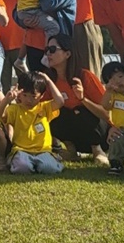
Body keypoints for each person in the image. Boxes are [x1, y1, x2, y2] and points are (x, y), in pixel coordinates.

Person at [43, 35, 109, 165]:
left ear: (67, 54)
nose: (48, 54)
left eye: (52, 49)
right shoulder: (49, 79)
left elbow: (106, 113)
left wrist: (82, 99)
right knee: (52, 111)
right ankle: (71, 150)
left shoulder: (84, 76)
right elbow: (41, 108)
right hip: (75, 135)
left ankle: (98, 151)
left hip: (99, 135)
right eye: (46, 49)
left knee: (80, 111)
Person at [0, 71, 65, 175]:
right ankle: (26, 163)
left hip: (43, 150)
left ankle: (50, 162)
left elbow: (60, 101)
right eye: (25, 95)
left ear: (41, 96)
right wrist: (6, 100)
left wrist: (48, 81)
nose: (29, 100)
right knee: (22, 168)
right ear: (19, 94)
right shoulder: (14, 109)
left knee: (49, 169)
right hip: (21, 150)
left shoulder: (45, 107)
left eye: (33, 96)